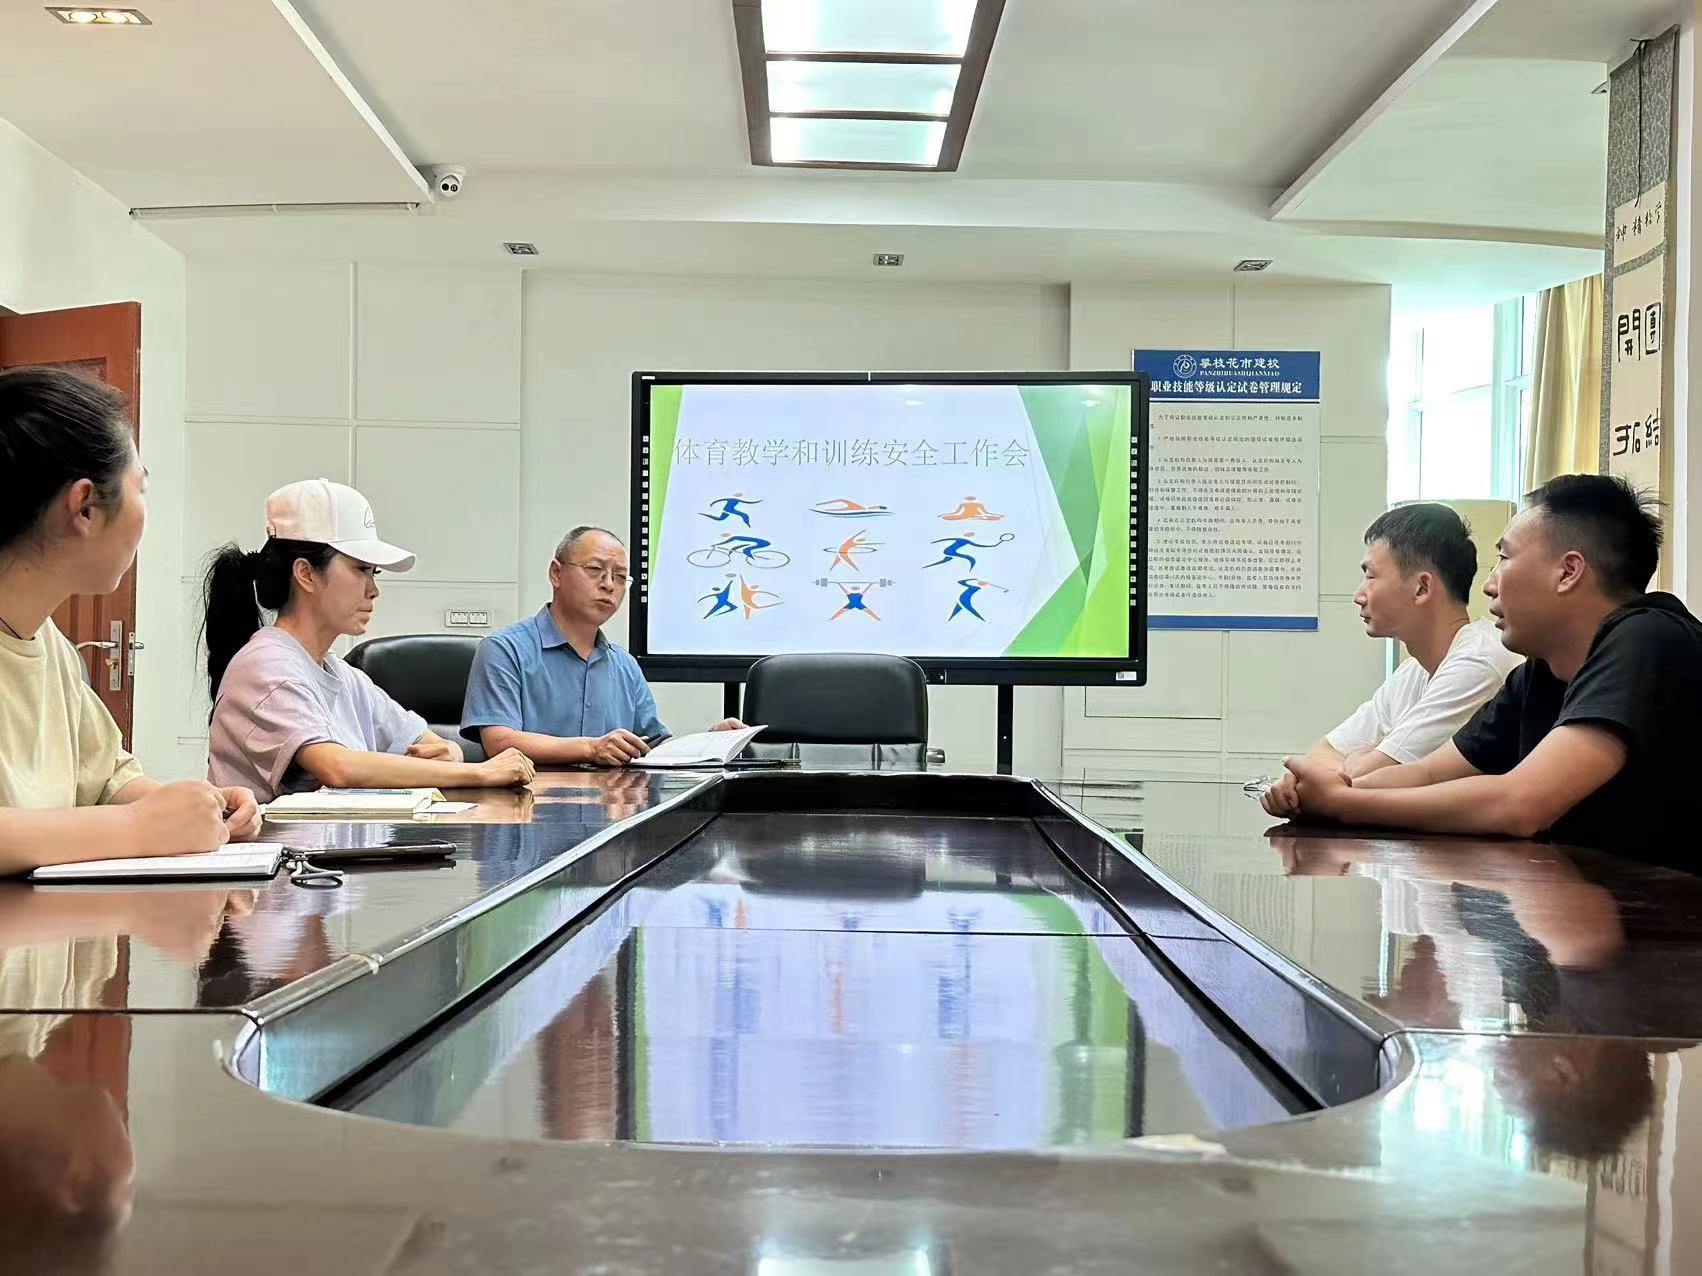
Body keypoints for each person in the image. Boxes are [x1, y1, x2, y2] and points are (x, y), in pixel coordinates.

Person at [1276, 475, 1702, 863]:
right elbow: (1426, 773)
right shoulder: (1539, 672)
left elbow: (1520, 804)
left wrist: (1342, 804)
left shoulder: (1648, 637)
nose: (1488, 584)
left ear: (1568, 572)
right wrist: (1321, 793)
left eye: (1503, 557)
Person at [0, 368, 261, 876]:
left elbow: (106, 780)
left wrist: (201, 809)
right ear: (85, 508)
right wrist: (139, 826)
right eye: (140, 487)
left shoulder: (48, 644)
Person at [202, 478, 535, 803]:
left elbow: (429, 741)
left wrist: (451, 752)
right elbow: (338, 767)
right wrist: (482, 772)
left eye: (374, 573)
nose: (373, 590)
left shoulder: (341, 675)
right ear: (306, 574)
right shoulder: (265, 667)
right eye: (360, 569)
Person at [1261, 503, 1522, 814]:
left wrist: (1358, 761)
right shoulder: (1413, 671)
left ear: (1422, 588)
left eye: (1370, 576)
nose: (1359, 595)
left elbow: (1368, 779)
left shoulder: (1479, 662)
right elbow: (1322, 757)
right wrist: (1336, 768)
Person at [462, 526, 742, 767]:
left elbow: (653, 748)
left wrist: (709, 742)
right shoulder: (504, 650)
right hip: (531, 804)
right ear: (556, 574)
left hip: (613, 807)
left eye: (620, 577)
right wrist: (591, 748)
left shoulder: (624, 665)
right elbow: (500, 741)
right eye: (595, 570)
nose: (608, 585)